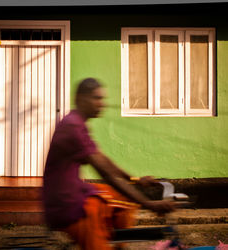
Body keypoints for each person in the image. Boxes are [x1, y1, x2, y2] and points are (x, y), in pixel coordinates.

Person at [43, 78, 175, 250]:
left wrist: (135, 179)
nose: (102, 104)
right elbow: (106, 173)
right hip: (68, 205)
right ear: (81, 99)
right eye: (97, 98)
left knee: (124, 199)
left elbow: (102, 160)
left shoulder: (76, 122)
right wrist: (149, 204)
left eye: (102, 99)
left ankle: (119, 243)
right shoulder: (72, 127)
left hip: (75, 193)